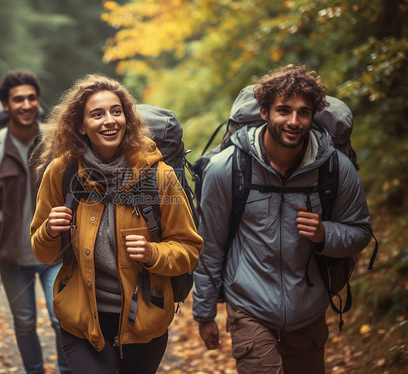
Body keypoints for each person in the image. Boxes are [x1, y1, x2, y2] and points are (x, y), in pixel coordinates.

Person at [192, 65, 373, 373]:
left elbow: (360, 232)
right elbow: (210, 245)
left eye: (303, 112)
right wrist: (205, 313)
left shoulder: (334, 169)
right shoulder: (227, 169)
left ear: (313, 115)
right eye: (284, 110)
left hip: (309, 310)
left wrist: (324, 235)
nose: (294, 121)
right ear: (264, 112)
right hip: (249, 307)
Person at [29, 74, 202, 374]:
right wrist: (48, 230)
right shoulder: (62, 173)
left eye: (116, 111)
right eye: (97, 114)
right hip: (81, 323)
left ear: (127, 119)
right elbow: (43, 254)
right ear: (81, 126)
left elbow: (189, 249)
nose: (110, 120)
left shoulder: (158, 176)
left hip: (143, 324)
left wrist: (153, 254)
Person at [0, 70, 70, 374]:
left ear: (37, 102)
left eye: (31, 98)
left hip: (55, 253)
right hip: (13, 257)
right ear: (5, 105)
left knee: (62, 320)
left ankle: (68, 371)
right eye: (18, 99)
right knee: (25, 325)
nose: (26, 104)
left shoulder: (57, 142)